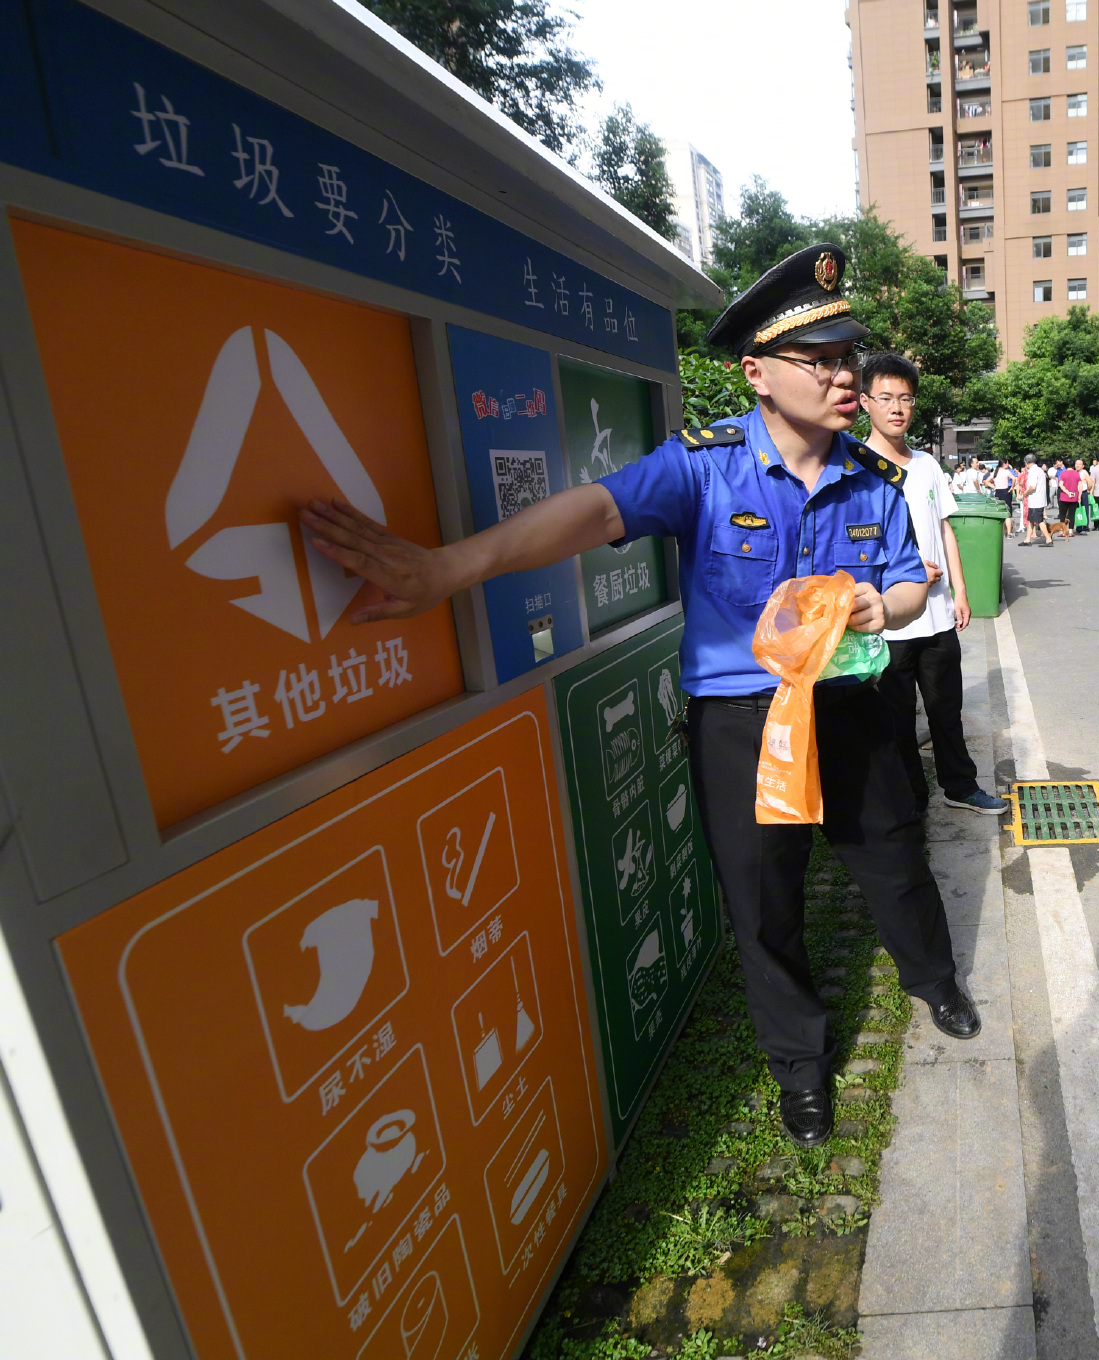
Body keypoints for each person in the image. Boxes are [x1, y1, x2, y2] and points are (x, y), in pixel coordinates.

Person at [298, 245, 981, 1153]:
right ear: (757, 374)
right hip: (742, 724)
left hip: (852, 707)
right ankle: (800, 1069)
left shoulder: (878, 479)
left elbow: (909, 583)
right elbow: (591, 510)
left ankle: (934, 979)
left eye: (847, 355)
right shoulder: (701, 468)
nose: (844, 374)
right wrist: (452, 567)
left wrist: (875, 602)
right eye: (818, 359)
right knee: (762, 900)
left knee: (894, 860)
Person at [861, 352, 1007, 819]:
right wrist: (902, 576)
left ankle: (959, 786)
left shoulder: (925, 464)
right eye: (885, 398)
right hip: (889, 621)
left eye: (905, 398)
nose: (896, 408)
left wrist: (961, 590)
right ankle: (910, 800)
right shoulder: (854, 466)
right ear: (866, 402)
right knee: (896, 718)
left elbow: (946, 529)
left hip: (938, 614)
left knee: (947, 711)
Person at [1021, 454, 1052, 545]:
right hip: (1039, 499)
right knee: (1031, 520)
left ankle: (1048, 539)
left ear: (1026, 463)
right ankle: (1027, 539)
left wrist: (1025, 494)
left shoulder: (1032, 471)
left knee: (1039, 520)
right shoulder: (1039, 470)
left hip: (1036, 500)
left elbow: (1032, 487)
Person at [1056, 458, 1083, 534]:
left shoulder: (1063, 473)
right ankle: (1071, 530)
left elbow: (1061, 485)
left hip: (1064, 496)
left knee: (1062, 514)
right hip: (1074, 497)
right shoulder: (1076, 473)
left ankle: (1063, 530)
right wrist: (1079, 496)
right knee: (1071, 514)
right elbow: (1080, 485)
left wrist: (1067, 492)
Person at [992, 458, 1018, 535]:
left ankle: (999, 531)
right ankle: (1009, 533)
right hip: (1005, 492)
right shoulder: (1006, 472)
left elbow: (986, 481)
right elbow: (1014, 478)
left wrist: (993, 487)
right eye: (1007, 463)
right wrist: (1012, 487)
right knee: (1007, 513)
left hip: (997, 492)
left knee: (999, 512)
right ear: (1004, 464)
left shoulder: (995, 472)